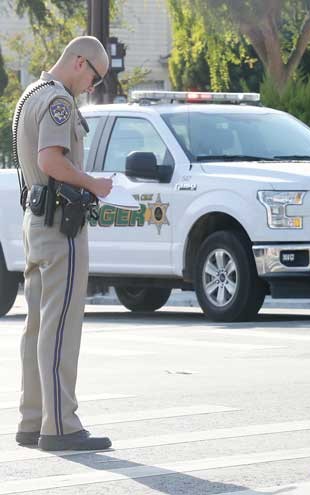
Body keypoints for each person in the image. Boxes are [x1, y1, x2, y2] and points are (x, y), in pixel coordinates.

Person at [14, 36, 114, 450]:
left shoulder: (30, 94)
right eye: (95, 77)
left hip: (36, 221)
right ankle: (60, 427)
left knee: (37, 325)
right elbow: (51, 160)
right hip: (60, 226)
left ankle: (33, 419)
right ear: (79, 62)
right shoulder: (57, 101)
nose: (92, 87)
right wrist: (94, 184)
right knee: (60, 327)